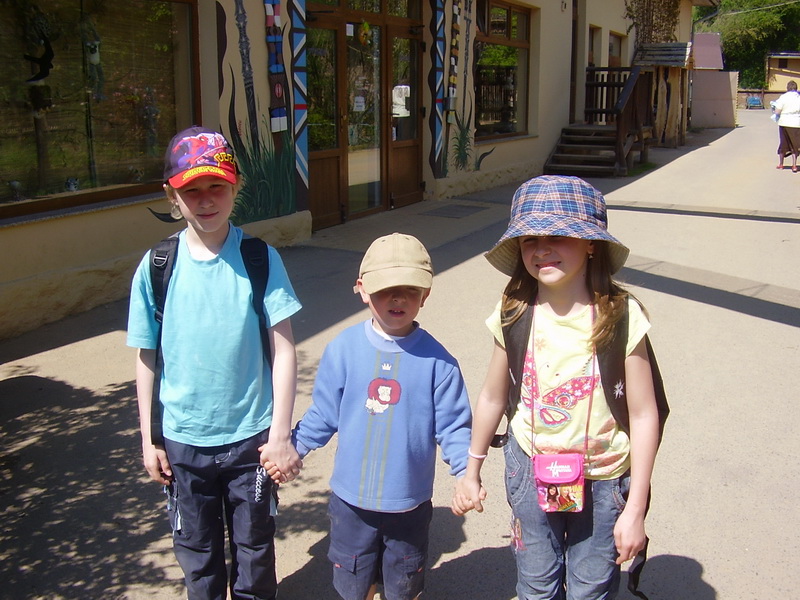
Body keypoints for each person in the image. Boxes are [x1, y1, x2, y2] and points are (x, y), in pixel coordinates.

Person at [452, 175, 661, 600]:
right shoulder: (514, 310)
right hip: (530, 469)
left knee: (591, 587)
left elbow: (643, 414)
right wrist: (470, 470)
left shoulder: (621, 316)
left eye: (558, 236)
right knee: (536, 583)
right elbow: (492, 395)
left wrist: (635, 509)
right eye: (530, 239)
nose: (541, 249)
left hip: (604, 478)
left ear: (591, 244)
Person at [126, 126, 303, 600]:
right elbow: (147, 357)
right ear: (172, 196)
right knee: (197, 553)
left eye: (217, 187)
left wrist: (280, 434)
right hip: (184, 443)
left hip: (251, 441)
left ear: (235, 186)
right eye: (192, 190)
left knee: (255, 550)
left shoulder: (259, 258)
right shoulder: (157, 266)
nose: (206, 200)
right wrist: (149, 438)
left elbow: (284, 348)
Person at [265, 232, 477, 600]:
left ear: (425, 294)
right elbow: (324, 414)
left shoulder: (439, 363)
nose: (398, 298)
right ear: (362, 289)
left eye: (409, 289)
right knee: (354, 582)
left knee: (404, 583)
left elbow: (454, 427)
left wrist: (465, 474)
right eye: (385, 289)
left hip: (409, 503)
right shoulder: (343, 349)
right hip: (351, 503)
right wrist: (292, 449)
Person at [774, 80, 800, 172]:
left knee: (783, 143)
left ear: (787, 88)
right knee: (795, 144)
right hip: (796, 123)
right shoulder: (799, 97)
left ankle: (781, 164)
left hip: (784, 122)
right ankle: (794, 165)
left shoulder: (783, 97)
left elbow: (777, 111)